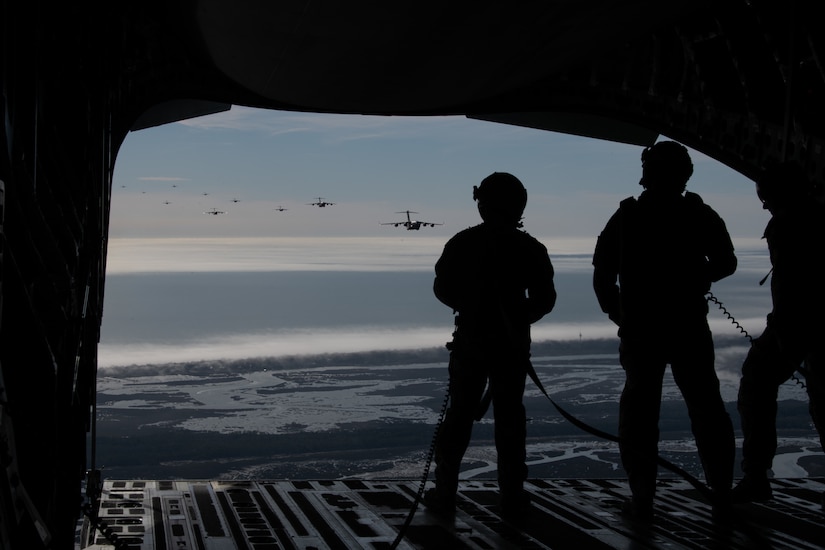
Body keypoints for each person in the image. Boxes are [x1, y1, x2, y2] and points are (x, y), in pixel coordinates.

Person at [592, 141, 737, 521]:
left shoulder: (626, 217)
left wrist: (617, 312)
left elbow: (603, 273)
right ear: (684, 174)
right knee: (706, 407)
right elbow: (726, 262)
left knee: (641, 412)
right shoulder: (698, 214)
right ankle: (720, 491)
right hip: (685, 323)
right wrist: (694, 280)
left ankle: (643, 497)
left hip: (642, 327)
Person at [423, 172, 557, 519]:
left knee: (460, 415)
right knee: (509, 417)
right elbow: (544, 299)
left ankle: (445, 492)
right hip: (510, 347)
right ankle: (511, 495)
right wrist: (515, 318)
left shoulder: (463, 243)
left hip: (472, 342)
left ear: (482, 204)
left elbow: (442, 288)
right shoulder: (529, 248)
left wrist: (472, 307)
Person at [733, 161, 825, 503]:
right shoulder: (814, 218)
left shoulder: (785, 226)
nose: (763, 204)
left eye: (766, 196)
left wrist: (782, 331)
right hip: (809, 324)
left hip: (796, 324)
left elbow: (791, 284)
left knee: (756, 385)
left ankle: (756, 475)